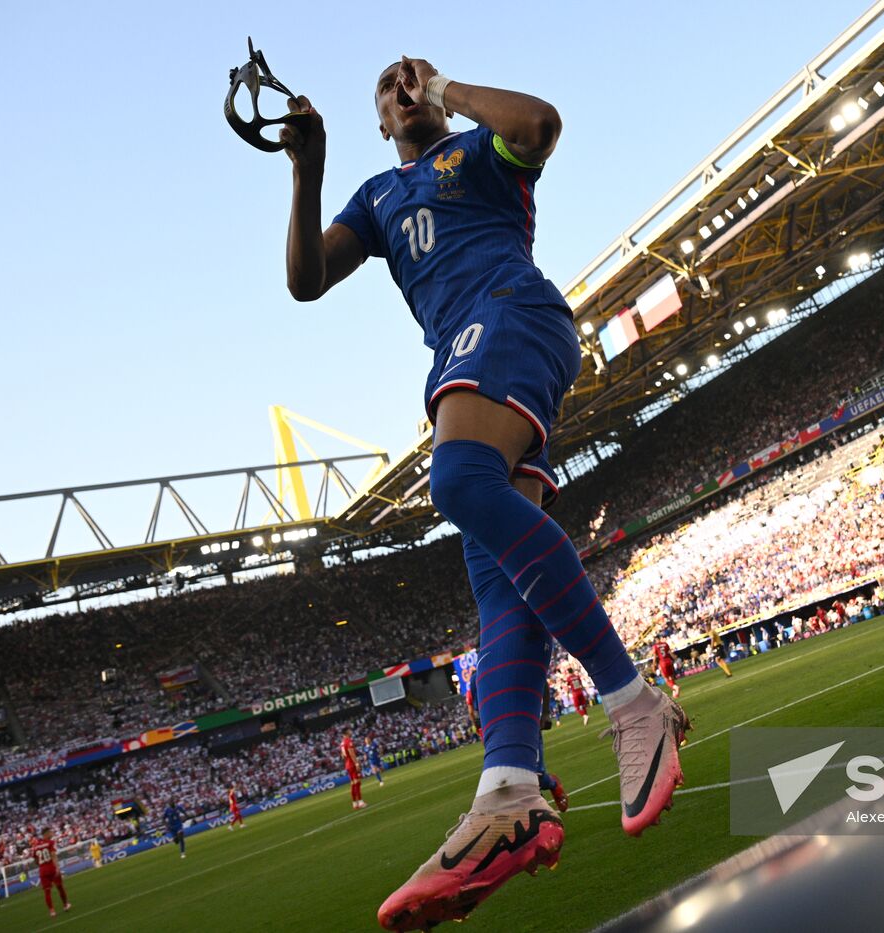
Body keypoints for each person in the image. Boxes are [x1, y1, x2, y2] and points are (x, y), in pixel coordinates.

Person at [276, 59, 690, 927]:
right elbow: (308, 278)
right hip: (463, 357)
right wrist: (306, 169)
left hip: (509, 314)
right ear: (378, 122)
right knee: (499, 581)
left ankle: (631, 699)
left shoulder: (480, 150)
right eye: (385, 90)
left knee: (459, 479)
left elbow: (540, 122)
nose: (399, 90)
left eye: (408, 77)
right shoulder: (376, 195)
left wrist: (447, 90)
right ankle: (508, 785)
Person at [30, 828, 71, 917]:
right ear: (47, 833)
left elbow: (35, 860)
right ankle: (65, 905)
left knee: (47, 892)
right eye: (51, 832)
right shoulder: (50, 843)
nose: (52, 833)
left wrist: (41, 865)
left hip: (42, 870)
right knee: (60, 887)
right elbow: (53, 855)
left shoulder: (35, 846)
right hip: (51, 867)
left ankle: (52, 911)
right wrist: (57, 867)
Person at [341, 731, 366, 811]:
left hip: (347, 764)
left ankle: (355, 803)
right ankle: (360, 802)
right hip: (352, 764)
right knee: (357, 783)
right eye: (349, 731)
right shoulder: (348, 741)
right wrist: (356, 763)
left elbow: (342, 756)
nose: (351, 732)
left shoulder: (342, 743)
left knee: (353, 784)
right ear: (346, 733)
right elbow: (351, 753)